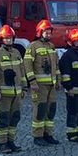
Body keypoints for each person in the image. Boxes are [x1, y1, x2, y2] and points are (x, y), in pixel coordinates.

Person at [0, 25, 24, 153]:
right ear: (2, 39)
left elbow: (22, 72)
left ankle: (11, 141)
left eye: (10, 38)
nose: (9, 41)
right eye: (6, 38)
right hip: (3, 95)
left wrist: (24, 88)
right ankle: (2, 143)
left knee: (15, 118)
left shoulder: (17, 53)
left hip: (17, 94)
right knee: (3, 119)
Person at [24, 18, 61, 146]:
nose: (48, 35)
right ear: (40, 32)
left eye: (50, 32)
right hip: (39, 85)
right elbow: (27, 65)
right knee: (40, 110)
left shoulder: (51, 46)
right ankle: (37, 136)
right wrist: (32, 81)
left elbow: (56, 65)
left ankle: (48, 134)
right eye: (46, 32)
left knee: (51, 109)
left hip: (51, 84)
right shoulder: (33, 46)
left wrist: (58, 80)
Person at [59, 28, 78, 141]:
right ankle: (71, 133)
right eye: (77, 41)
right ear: (71, 42)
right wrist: (68, 87)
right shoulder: (67, 56)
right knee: (73, 111)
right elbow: (65, 73)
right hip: (73, 89)